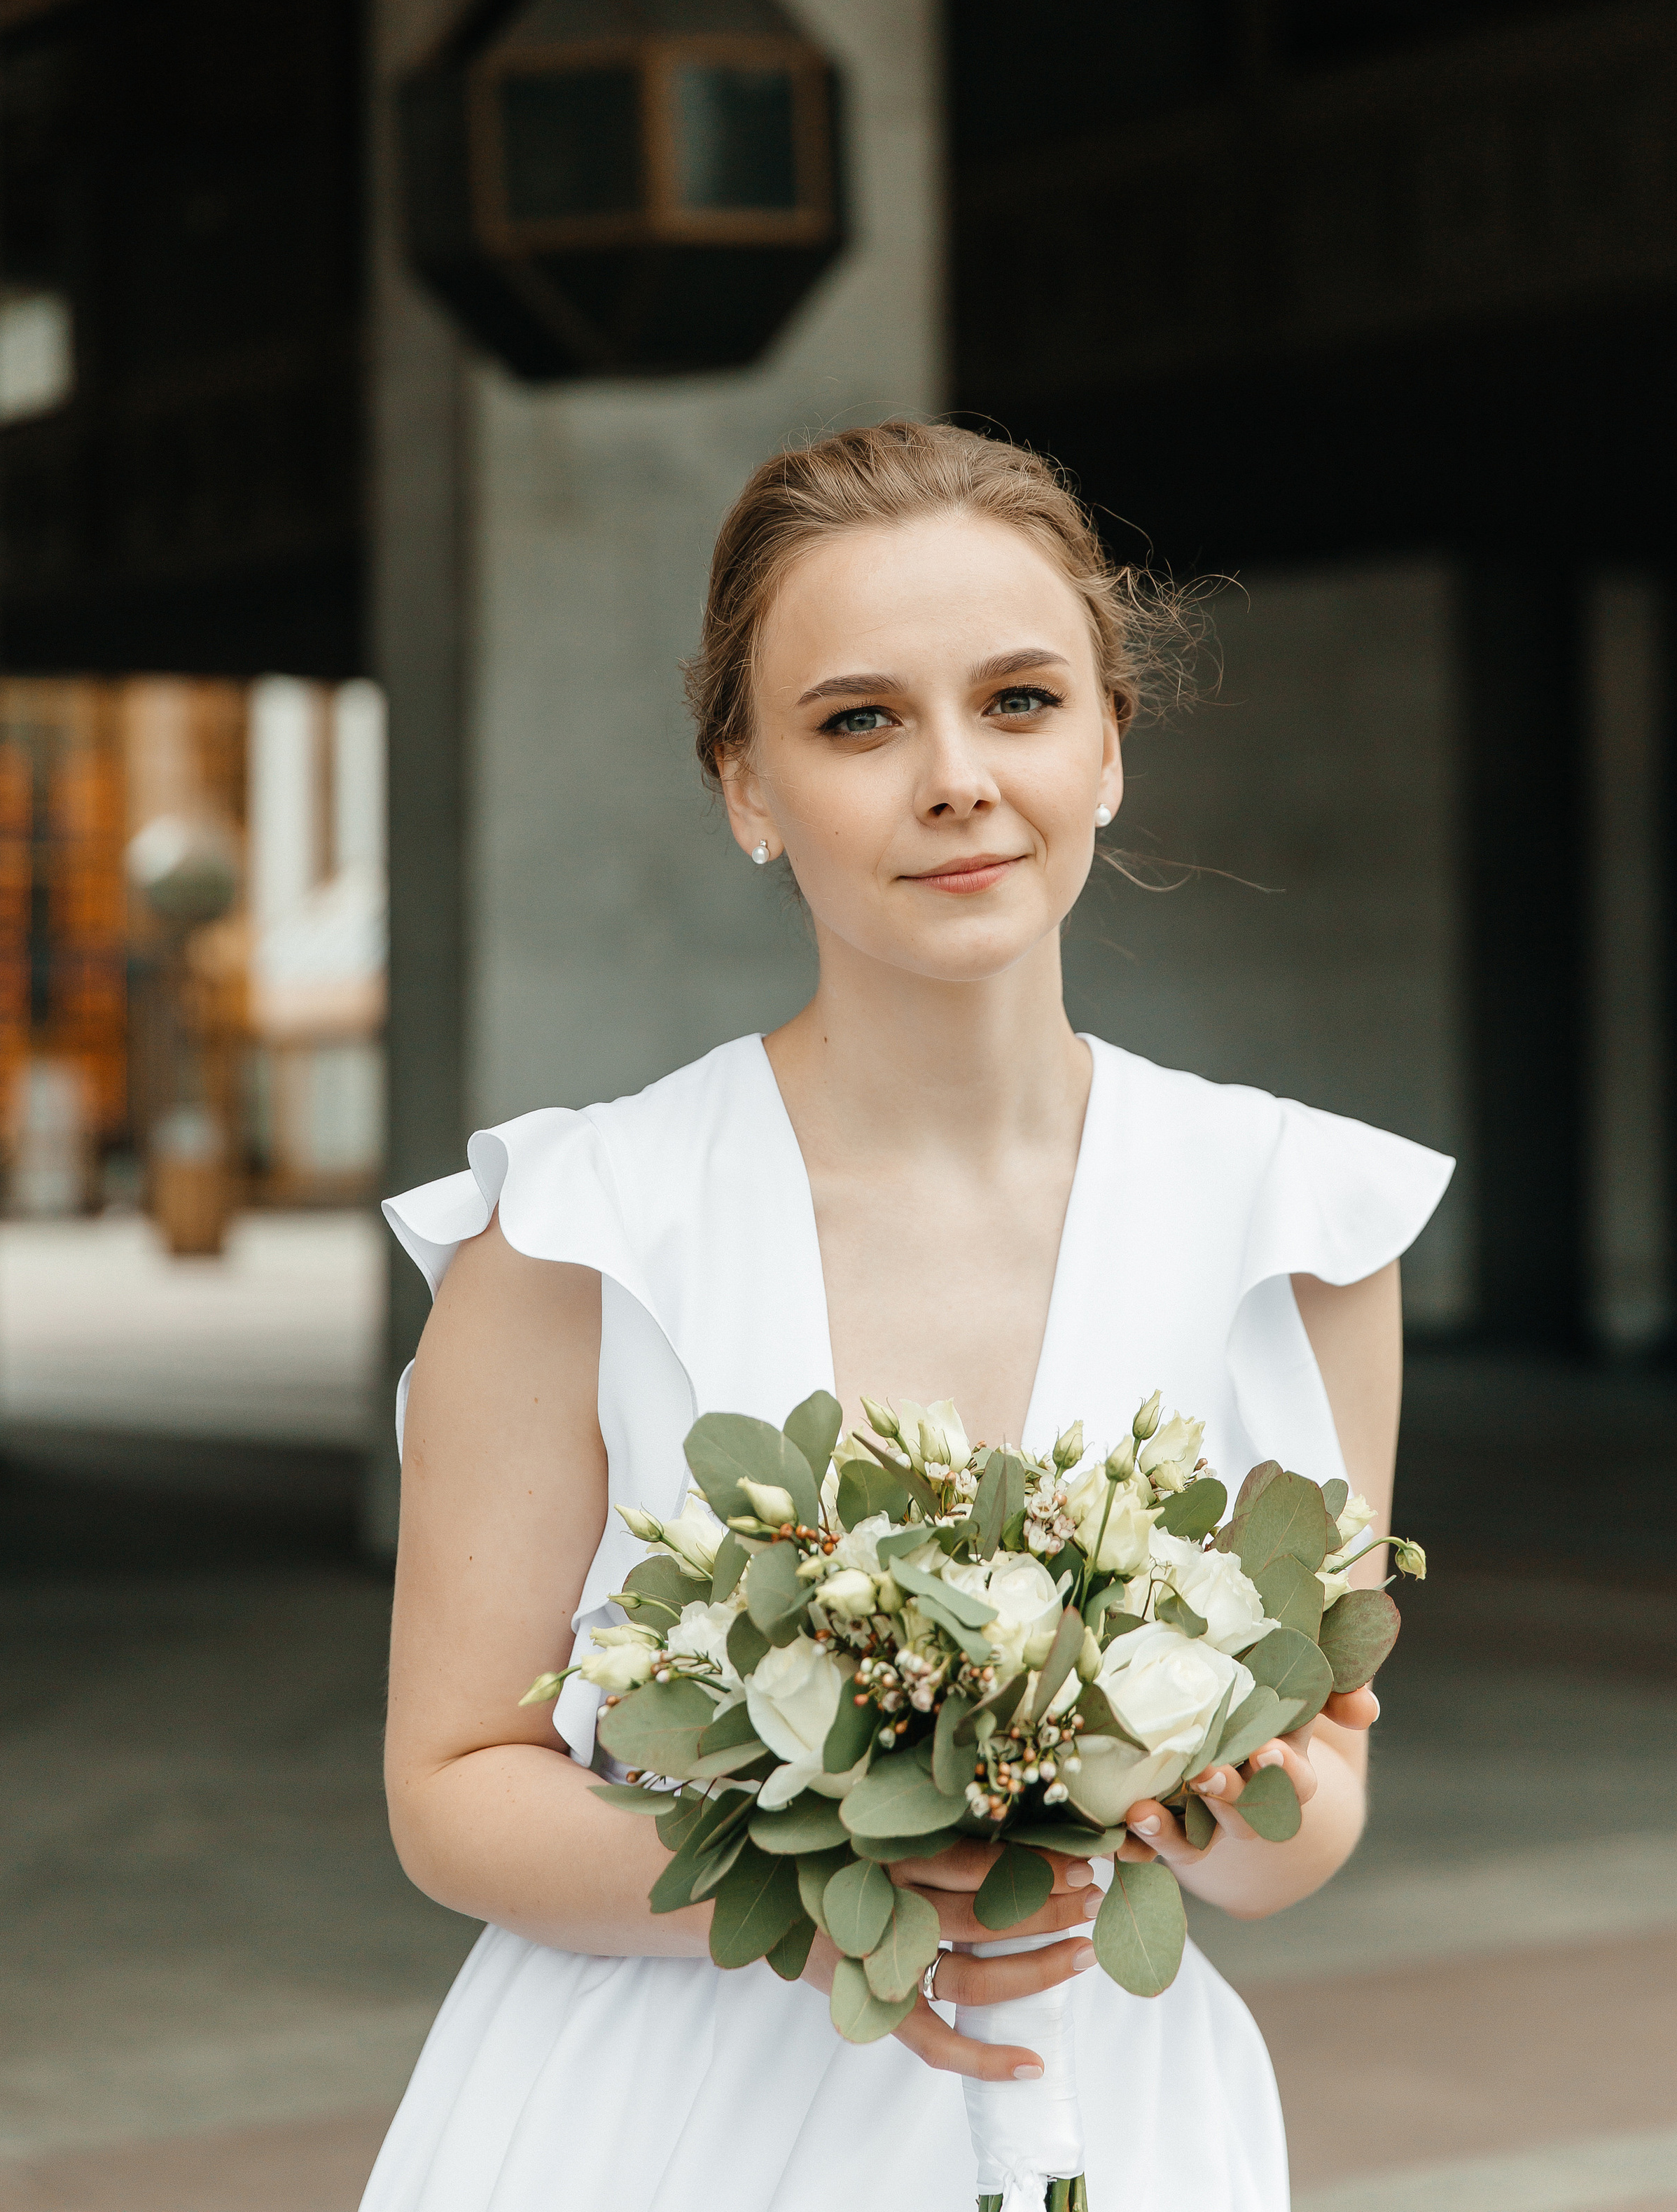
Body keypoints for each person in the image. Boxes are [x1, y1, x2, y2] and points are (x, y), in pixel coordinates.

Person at [363, 418, 1452, 2212]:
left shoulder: (1301, 1228)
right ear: (745, 788)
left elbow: (1304, 1816)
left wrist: (1189, 1797)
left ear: (1107, 746)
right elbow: (451, 1789)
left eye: (1018, 702)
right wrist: (809, 1890)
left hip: (1112, 2113)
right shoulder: (571, 1234)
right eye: (858, 721)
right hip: (651, 2127)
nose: (954, 778)